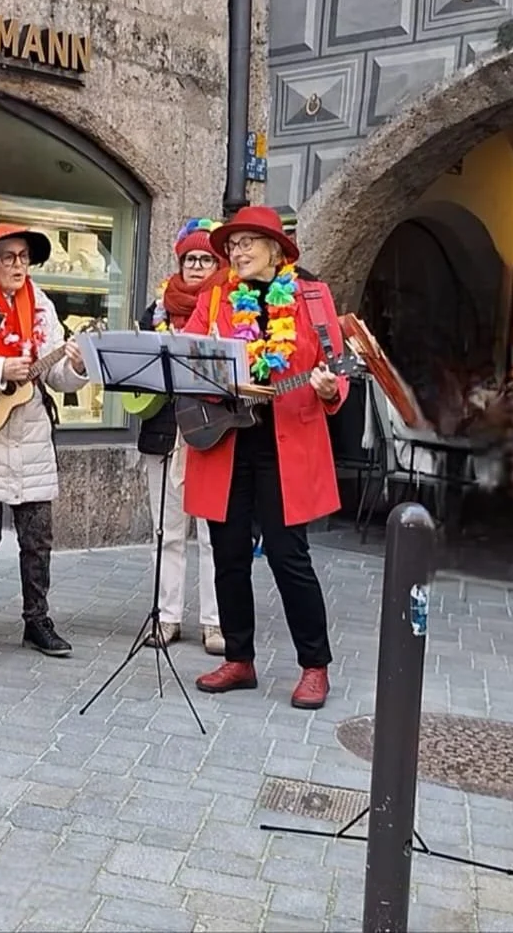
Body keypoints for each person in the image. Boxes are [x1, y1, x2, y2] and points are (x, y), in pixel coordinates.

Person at [182, 206, 350, 711]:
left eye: (247, 243)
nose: (237, 253)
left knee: (287, 555)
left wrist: (329, 388)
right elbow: (187, 358)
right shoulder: (214, 297)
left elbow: (337, 368)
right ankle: (239, 658)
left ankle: (314, 665)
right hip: (226, 441)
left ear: (276, 249)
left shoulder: (311, 297)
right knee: (228, 554)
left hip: (286, 444)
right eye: (232, 246)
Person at [0, 222, 89, 658]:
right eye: (8, 257)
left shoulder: (42, 306)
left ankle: (37, 621)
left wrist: (77, 365)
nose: (18, 265)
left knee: (38, 538)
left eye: (24, 257)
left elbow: (56, 377)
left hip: (31, 436)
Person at [138, 218, 225, 654]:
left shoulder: (229, 309)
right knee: (166, 532)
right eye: (189, 258)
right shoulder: (156, 311)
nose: (195, 266)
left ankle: (215, 622)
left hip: (211, 436)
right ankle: (166, 616)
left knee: (213, 536)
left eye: (205, 259)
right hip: (162, 433)